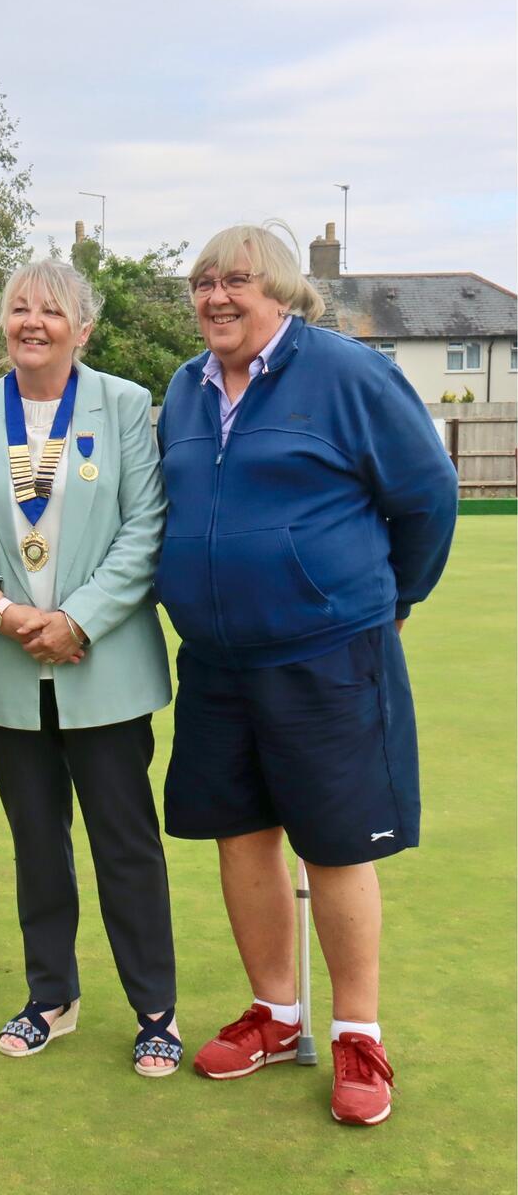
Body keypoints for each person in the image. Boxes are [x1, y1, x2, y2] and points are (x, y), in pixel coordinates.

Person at [154, 222, 457, 1125]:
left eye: (234, 281)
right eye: (202, 282)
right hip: (214, 659)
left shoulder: (346, 372)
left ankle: (356, 1032)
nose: (214, 297)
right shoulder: (182, 388)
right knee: (241, 835)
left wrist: (392, 595)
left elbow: (426, 494)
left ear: (281, 292)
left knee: (334, 844)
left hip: (325, 653)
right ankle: (276, 1015)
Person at [0, 259, 181, 1076]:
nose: (31, 322)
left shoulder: (125, 405)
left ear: (83, 328)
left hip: (101, 667)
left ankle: (155, 1011)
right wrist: (3, 611)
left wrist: (77, 620)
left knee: (124, 844)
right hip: (4, 667)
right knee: (36, 842)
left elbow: (146, 528)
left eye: (50, 311)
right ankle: (50, 998)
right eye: (18, 309)